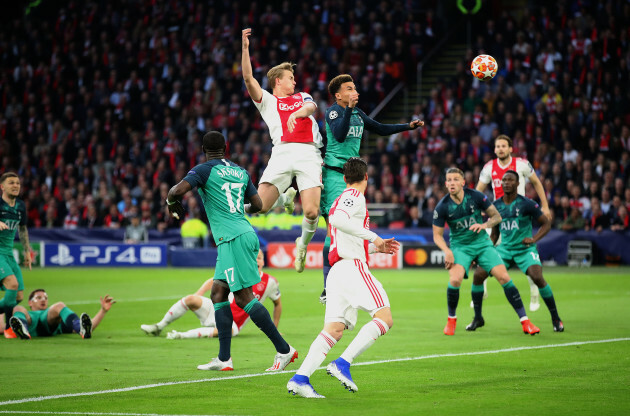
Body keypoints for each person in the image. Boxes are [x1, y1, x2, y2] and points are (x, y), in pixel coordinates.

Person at [166, 130, 296, 372]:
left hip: (232, 238)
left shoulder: (204, 170)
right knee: (217, 294)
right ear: (225, 148)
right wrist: (235, 206)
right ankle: (224, 359)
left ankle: (284, 350)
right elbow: (258, 205)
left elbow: (176, 191)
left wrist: (172, 203)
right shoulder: (240, 171)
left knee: (244, 298)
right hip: (240, 234)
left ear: (204, 150)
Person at [287, 158, 400, 398]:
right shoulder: (354, 197)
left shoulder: (342, 198)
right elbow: (338, 219)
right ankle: (343, 363)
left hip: (338, 270)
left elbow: (343, 237)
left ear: (344, 177)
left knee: (334, 330)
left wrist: (373, 248)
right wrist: (374, 237)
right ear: (366, 177)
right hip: (351, 268)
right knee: (385, 318)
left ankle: (300, 378)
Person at [318, 74, 424, 303]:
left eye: (354, 87)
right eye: (349, 88)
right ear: (338, 95)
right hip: (335, 175)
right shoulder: (334, 111)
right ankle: (327, 287)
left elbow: (380, 128)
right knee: (333, 229)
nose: (354, 91)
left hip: (353, 177)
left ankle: (346, 278)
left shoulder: (357, 113)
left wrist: (408, 126)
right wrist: (349, 108)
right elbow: (338, 134)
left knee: (352, 226)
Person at [242, 28, 323, 273]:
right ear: (279, 80)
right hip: (282, 153)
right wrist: (245, 49)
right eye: (290, 78)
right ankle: (242, 207)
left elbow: (311, 108)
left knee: (311, 210)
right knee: (260, 206)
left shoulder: (302, 96)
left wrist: (297, 113)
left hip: (308, 153)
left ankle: (302, 244)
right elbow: (248, 79)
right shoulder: (268, 101)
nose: (294, 81)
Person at [432, 168, 539, 336]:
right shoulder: (443, 206)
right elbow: (437, 236)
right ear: (446, 184)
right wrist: (447, 251)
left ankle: (525, 322)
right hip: (461, 247)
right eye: (449, 180)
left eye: (455, 179)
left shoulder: (476, 196)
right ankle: (451, 319)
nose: (452, 183)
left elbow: (497, 217)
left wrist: (484, 225)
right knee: (455, 279)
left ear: (462, 182)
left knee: (504, 277)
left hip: (482, 244)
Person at [469, 170, 563, 333]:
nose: (506, 182)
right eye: (504, 180)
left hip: (524, 249)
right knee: (478, 275)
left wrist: (534, 239)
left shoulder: (527, 204)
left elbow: (546, 224)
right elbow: (495, 233)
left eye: (510, 180)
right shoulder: (496, 206)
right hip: (504, 249)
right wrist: (485, 250)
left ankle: (555, 318)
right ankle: (478, 318)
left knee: (537, 277)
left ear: (518, 184)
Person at [477, 135, 550, 311]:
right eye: (498, 146)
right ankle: (481, 290)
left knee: (526, 257)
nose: (501, 149)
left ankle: (534, 293)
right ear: (494, 150)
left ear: (510, 148)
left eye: (504, 146)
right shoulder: (489, 168)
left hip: (520, 215)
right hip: (499, 215)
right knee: (485, 248)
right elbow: (478, 191)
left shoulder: (521, 164)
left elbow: (537, 183)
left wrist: (545, 206)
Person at [140, 250, 282, 339]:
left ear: (263, 262)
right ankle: (159, 327)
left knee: (227, 331)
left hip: (234, 323)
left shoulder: (270, 282)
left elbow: (278, 304)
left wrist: (274, 329)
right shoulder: (238, 271)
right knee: (191, 299)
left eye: (259, 258)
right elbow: (214, 281)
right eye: (253, 257)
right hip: (218, 309)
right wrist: (199, 294)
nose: (256, 261)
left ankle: (181, 335)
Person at [9, 289, 115, 339]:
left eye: (45, 298)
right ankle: (22, 330)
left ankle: (80, 327)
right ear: (30, 302)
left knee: (59, 305)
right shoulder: (27, 313)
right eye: (39, 297)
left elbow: (90, 326)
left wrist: (103, 311)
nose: (43, 300)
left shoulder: (56, 318)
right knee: (18, 308)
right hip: (29, 320)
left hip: (48, 323)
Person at [0, 172, 31, 338]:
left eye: (17, 183)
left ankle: (8, 326)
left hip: (8, 253)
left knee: (18, 296)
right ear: (2, 186)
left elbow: (23, 229)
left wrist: (27, 252)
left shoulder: (20, 206)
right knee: (12, 284)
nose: (15, 186)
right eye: (11, 183)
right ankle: (8, 328)